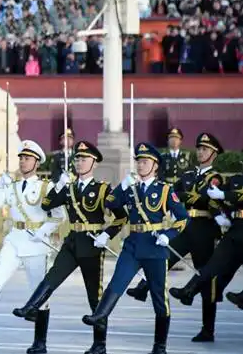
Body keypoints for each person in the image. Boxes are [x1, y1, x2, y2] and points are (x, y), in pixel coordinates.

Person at [12, 141, 127, 354]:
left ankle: (99, 344)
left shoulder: (102, 189)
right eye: (77, 159)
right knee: (52, 276)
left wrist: (106, 234)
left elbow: (121, 217)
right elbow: (47, 205)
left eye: (84, 159)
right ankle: (31, 306)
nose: (79, 162)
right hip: (72, 241)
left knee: (95, 296)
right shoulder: (70, 187)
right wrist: (59, 185)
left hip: (92, 244)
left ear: (94, 163)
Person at [82, 142, 188, 354]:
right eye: (138, 161)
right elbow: (111, 204)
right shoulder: (130, 189)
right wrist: (122, 185)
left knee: (159, 297)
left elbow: (183, 218)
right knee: (117, 281)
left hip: (155, 247)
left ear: (155, 166)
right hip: (133, 244)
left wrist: (169, 235)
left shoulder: (165, 190)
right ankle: (100, 315)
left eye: (145, 162)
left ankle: (160, 346)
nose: (140, 165)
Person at [0, 140, 65, 354]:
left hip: (36, 242)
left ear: (36, 163)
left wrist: (43, 231)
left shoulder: (46, 187)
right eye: (21, 157)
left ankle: (40, 343)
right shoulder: (13, 186)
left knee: (39, 292)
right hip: (15, 238)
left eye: (27, 158)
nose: (23, 161)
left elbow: (59, 216)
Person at [126, 132, 226, 342]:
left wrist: (190, 197)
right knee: (163, 257)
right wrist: (191, 197)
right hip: (185, 226)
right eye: (199, 148)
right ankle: (143, 288)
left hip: (204, 228)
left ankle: (208, 329)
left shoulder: (216, 177)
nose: (200, 152)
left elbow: (208, 202)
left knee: (205, 278)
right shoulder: (189, 175)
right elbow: (172, 193)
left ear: (214, 154)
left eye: (205, 149)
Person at [166, 169, 243, 317]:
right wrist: (222, 214)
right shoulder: (236, 178)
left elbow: (223, 195)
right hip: (236, 228)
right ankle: (189, 290)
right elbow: (213, 198)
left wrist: (223, 195)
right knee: (213, 265)